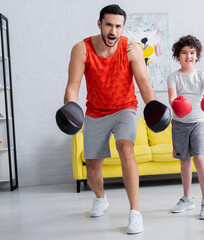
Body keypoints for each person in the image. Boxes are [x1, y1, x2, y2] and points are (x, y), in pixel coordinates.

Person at [64, 4, 156, 234]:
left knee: (126, 149)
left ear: (123, 27)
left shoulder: (131, 48)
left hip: (125, 108)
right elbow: (73, 87)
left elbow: (144, 84)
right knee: (93, 171)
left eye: (118, 26)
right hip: (95, 112)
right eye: (108, 25)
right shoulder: (82, 49)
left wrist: (154, 108)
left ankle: (135, 212)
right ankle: (100, 197)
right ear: (100, 24)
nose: (113, 30)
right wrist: (71, 109)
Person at [167, 35, 204, 220]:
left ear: (197, 56)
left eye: (192, 52)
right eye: (184, 52)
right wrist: (177, 104)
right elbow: (172, 98)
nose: (188, 56)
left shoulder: (201, 75)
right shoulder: (173, 77)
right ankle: (188, 198)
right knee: (184, 162)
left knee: (199, 158)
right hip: (179, 125)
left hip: (197, 123)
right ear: (177, 55)